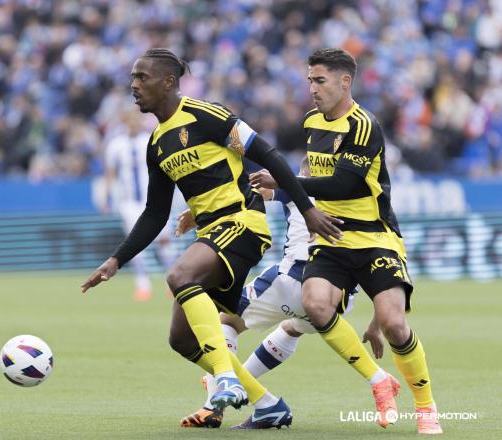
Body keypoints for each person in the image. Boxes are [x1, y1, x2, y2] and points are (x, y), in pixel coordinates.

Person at [81, 48, 343, 428]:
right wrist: (116, 260)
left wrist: (307, 209)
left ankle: (224, 379)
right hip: (213, 235)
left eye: (142, 77)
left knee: (178, 276)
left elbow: (268, 155)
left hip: (243, 224)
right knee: (182, 339)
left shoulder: (207, 115)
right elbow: (155, 213)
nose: (133, 85)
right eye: (133, 78)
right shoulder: (157, 144)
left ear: (169, 82)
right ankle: (266, 403)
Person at [250, 48, 443, 435]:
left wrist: (285, 181)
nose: (312, 89)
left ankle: (426, 406)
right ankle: (378, 382)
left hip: (374, 238)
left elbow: (344, 184)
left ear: (345, 81)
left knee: (393, 325)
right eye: (309, 80)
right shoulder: (311, 122)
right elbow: (314, 180)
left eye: (319, 81)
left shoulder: (364, 125)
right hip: (331, 237)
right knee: (315, 304)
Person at [176, 159, 363, 429]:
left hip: (296, 279)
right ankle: (238, 390)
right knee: (291, 328)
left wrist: (198, 210)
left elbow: (249, 188)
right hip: (341, 296)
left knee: (225, 321)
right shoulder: (354, 195)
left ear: (303, 173)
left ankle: (221, 393)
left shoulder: (293, 186)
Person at [101, 110, 176, 301]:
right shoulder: (116, 145)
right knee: (134, 244)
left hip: (154, 200)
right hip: (130, 204)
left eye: (136, 119)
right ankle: (143, 285)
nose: (133, 123)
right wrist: (106, 198)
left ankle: (173, 282)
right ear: (125, 121)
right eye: (129, 119)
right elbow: (110, 173)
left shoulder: (150, 141)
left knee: (164, 242)